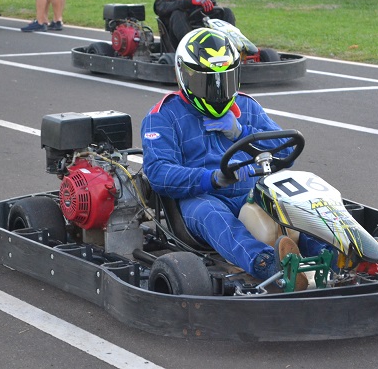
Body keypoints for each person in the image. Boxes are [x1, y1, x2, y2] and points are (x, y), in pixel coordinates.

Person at [141, 28, 334, 290]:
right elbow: (158, 172)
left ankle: (334, 254)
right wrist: (213, 178)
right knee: (213, 215)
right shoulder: (163, 116)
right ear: (185, 75)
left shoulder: (246, 108)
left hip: (251, 192)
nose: (218, 90)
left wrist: (241, 131)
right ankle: (268, 264)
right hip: (201, 198)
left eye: (225, 79)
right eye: (209, 82)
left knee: (294, 200)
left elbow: (284, 152)